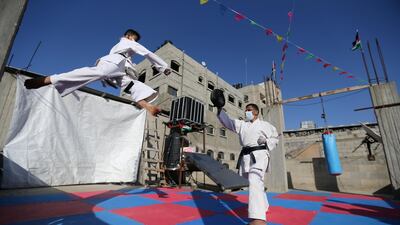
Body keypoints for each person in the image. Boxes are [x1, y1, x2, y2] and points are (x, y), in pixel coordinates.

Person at [24, 29, 171, 116]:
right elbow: (146, 52)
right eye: (134, 38)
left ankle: (148, 106)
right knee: (94, 73)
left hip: (118, 69)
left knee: (132, 86)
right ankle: (49, 79)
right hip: (114, 64)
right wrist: (163, 67)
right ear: (129, 36)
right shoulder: (127, 43)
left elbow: (123, 62)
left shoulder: (120, 47)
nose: (135, 41)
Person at [217, 102, 279, 225]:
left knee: (254, 179)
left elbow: (275, 138)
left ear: (256, 112)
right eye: (246, 110)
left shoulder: (265, 125)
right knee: (255, 183)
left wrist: (266, 141)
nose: (247, 112)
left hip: (260, 154)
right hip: (246, 156)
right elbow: (228, 122)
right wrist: (219, 109)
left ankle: (259, 219)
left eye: (249, 110)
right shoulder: (242, 125)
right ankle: (264, 206)